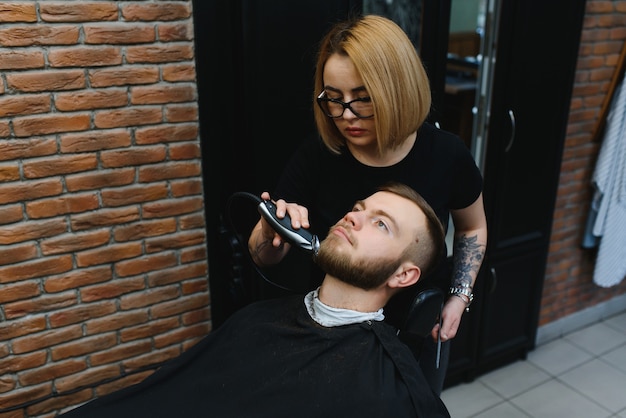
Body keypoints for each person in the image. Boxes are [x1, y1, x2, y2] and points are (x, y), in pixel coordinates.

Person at [248, 14, 488, 395]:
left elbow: (472, 227)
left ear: (397, 88)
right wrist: (269, 231)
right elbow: (264, 257)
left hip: (419, 326)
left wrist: (460, 297)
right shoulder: (318, 155)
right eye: (333, 98)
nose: (345, 115)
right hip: (336, 334)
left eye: (362, 98)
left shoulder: (446, 154)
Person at [61, 183, 450, 418]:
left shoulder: (391, 389)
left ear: (404, 275)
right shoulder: (258, 320)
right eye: (358, 209)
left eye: (381, 224)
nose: (354, 218)